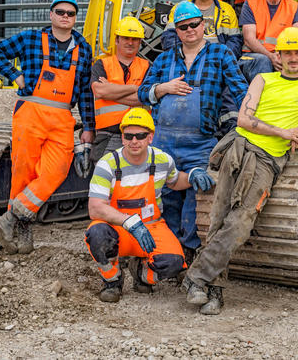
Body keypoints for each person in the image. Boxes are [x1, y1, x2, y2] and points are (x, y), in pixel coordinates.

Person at [183, 28, 298, 315]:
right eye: (287, 53)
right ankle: (212, 292)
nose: (293, 58)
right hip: (240, 148)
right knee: (218, 219)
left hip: (267, 161)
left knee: (241, 221)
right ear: (278, 56)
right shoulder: (262, 79)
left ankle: (196, 277)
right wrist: (284, 131)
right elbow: (243, 119)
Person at [0, 0, 95, 255]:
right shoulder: (31, 38)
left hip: (61, 117)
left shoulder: (83, 48)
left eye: (70, 13)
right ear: (51, 15)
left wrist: (89, 127)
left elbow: (85, 92)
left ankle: (9, 219)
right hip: (30, 112)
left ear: (75, 18)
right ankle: (21, 231)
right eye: (60, 12)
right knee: (24, 171)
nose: (65, 17)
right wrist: (15, 75)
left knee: (56, 171)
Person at [138, 1, 248, 258]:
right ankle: (169, 254)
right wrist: (163, 88)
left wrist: (257, 120)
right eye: (183, 26)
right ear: (176, 30)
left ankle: (188, 254)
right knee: (167, 201)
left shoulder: (220, 54)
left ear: (203, 24)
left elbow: (241, 90)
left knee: (195, 202)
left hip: (200, 143)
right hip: (164, 144)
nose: (190, 30)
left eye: (194, 24)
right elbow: (143, 93)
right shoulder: (164, 60)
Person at [84, 108, 210, 302]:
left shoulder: (162, 160)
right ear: (123, 138)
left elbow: (175, 182)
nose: (134, 141)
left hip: (151, 226)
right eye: (129, 136)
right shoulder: (107, 164)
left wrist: (192, 175)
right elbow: (95, 208)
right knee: (97, 234)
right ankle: (113, 281)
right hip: (119, 228)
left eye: (141, 136)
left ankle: (142, 275)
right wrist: (130, 222)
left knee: (174, 263)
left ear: (150, 137)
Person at [90, 16, 150, 165]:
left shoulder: (147, 66)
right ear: (117, 40)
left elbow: (143, 97)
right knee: (104, 179)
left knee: (136, 180)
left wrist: (111, 90)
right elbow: (100, 92)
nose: (130, 42)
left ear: (140, 42)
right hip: (108, 134)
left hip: (140, 135)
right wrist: (135, 88)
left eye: (135, 39)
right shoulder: (101, 64)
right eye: (126, 38)